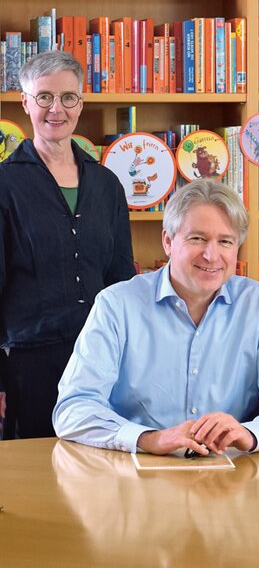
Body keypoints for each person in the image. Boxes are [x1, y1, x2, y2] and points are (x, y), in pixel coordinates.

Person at [53, 180, 259, 455]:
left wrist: (249, 434)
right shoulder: (117, 304)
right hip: (134, 474)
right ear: (168, 241)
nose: (211, 255)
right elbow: (73, 409)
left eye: (225, 241)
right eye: (197, 238)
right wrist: (149, 439)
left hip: (226, 477)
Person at [0, 51, 135, 440]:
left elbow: (121, 279)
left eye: (68, 97)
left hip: (101, 360)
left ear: (81, 102)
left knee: (98, 474)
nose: (56, 109)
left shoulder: (107, 185)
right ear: (25, 102)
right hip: (27, 363)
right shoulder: (5, 185)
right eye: (44, 97)